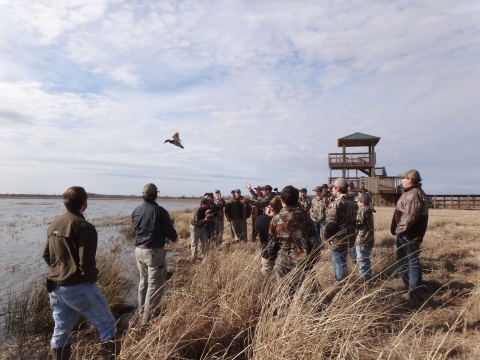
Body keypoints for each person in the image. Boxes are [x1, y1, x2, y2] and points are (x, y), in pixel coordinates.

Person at [43, 186, 116, 360]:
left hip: (55, 288)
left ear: (66, 203)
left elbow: (46, 255)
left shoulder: (54, 223)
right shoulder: (84, 226)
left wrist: (59, 271)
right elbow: (86, 263)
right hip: (78, 286)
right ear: (84, 203)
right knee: (108, 325)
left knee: (61, 331)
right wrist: (92, 280)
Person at [132, 183, 178, 326]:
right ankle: (147, 321)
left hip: (139, 251)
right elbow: (170, 232)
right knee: (155, 284)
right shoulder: (159, 211)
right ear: (156, 195)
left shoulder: (136, 210)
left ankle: (141, 313)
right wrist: (175, 238)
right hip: (153, 252)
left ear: (143, 195)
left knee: (143, 282)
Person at [262, 186, 321, 287]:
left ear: (282, 201)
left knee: (284, 295)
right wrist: (311, 262)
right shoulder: (306, 218)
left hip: (283, 265)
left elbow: (272, 245)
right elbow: (315, 243)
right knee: (302, 295)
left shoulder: (276, 219)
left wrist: (268, 263)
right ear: (297, 199)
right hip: (303, 264)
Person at [391, 169, 429, 302]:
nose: (401, 180)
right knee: (404, 261)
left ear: (410, 180)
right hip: (406, 235)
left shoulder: (414, 195)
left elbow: (409, 218)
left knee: (411, 262)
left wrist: (398, 231)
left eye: (403, 178)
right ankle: (410, 288)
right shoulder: (410, 193)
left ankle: (414, 293)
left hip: (409, 236)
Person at [324, 178, 357, 281]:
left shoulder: (336, 204)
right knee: (343, 263)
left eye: (333, 188)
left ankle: (340, 286)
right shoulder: (353, 202)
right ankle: (344, 283)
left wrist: (326, 237)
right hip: (350, 237)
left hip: (337, 240)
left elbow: (330, 225)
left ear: (337, 188)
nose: (331, 190)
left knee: (339, 264)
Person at [254, 195, 283, 278]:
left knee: (264, 277)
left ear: (270, 206)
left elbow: (256, 228)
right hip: (282, 254)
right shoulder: (283, 220)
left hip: (266, 252)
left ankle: (262, 291)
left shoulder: (260, 219)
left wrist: (266, 214)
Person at [353, 194, 376, 281]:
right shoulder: (369, 210)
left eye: (358, 201)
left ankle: (364, 279)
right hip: (369, 239)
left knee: (362, 260)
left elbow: (357, 224)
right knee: (365, 258)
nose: (357, 203)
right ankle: (368, 277)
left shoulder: (362, 211)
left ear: (362, 203)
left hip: (362, 239)